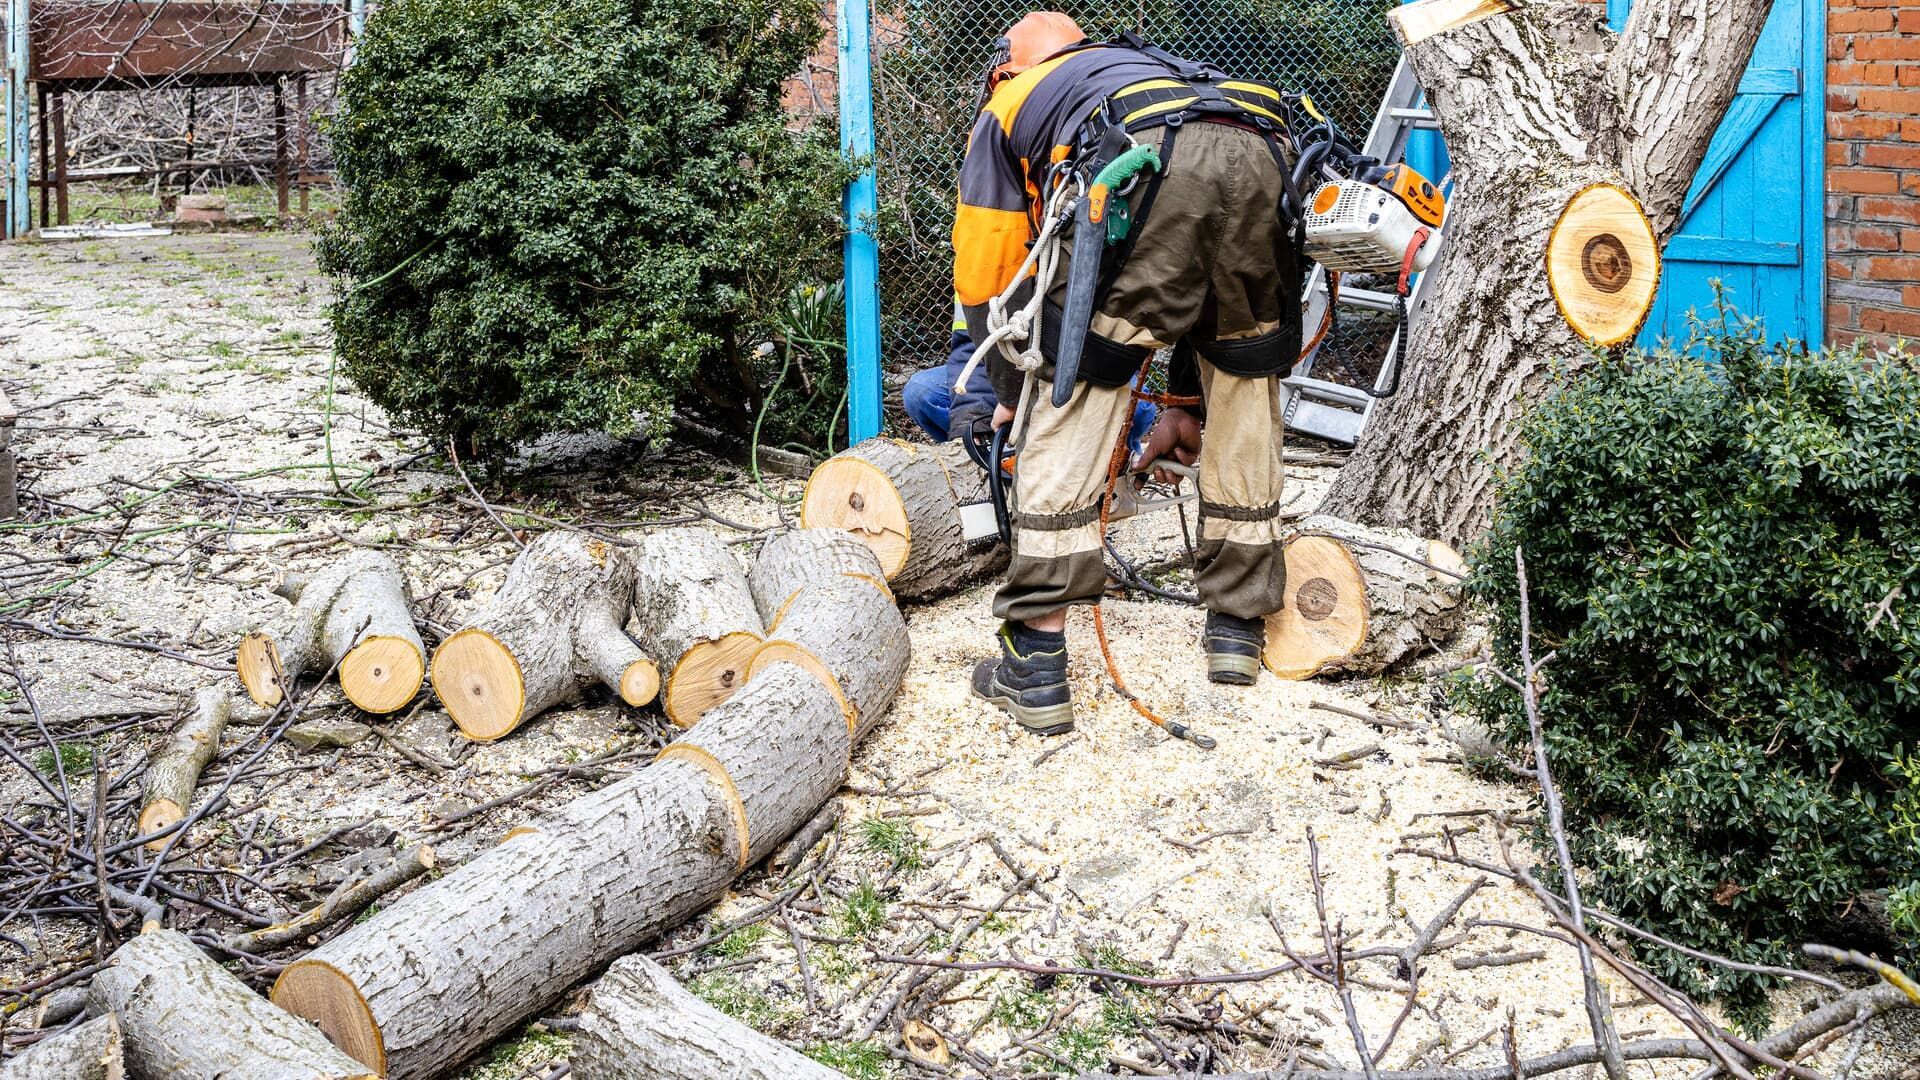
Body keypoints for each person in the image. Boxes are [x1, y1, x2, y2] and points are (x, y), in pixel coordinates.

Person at [954, 12, 1301, 735]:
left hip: (1142, 163)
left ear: (1008, 64)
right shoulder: (1148, 66)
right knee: (1242, 383)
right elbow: (1193, 286)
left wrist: (1015, 395)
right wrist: (1182, 398)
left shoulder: (1011, 101)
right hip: (1263, 149)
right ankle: (1236, 629)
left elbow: (987, 270)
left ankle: (1037, 659)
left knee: (1079, 389)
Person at [902, 301, 1157, 454]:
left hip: (1078, 372)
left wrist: (1020, 399)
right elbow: (969, 345)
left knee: (1138, 407)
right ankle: (984, 465)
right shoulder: (979, 249)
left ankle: (1113, 470)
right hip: (1005, 373)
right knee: (922, 392)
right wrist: (972, 421)